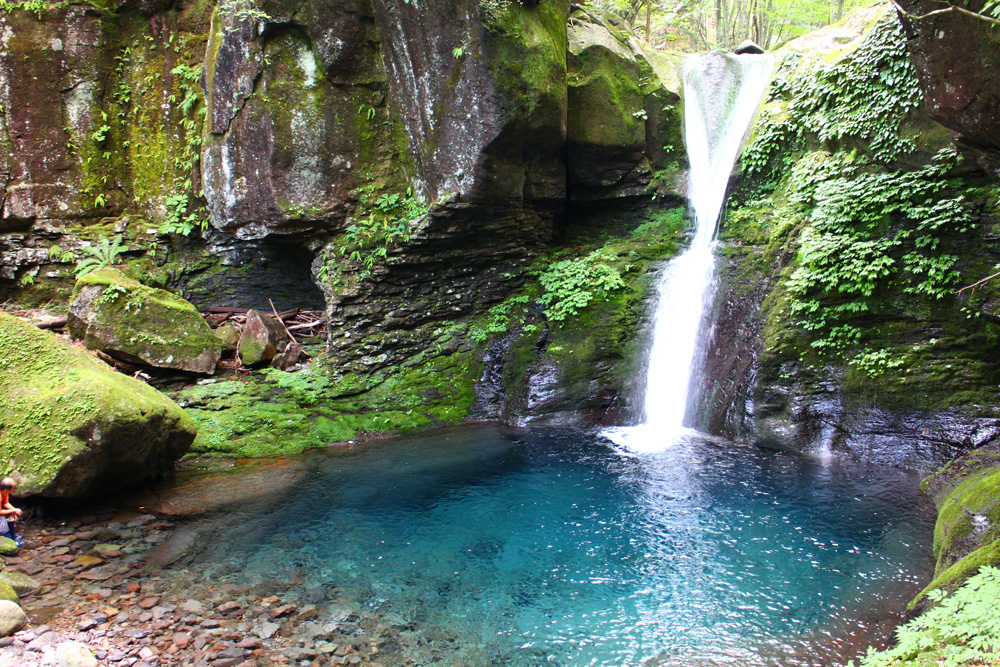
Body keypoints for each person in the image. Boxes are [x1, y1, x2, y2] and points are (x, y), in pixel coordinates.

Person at [0, 477, 23, 547]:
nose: (15, 490)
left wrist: (14, 510)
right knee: (2, 521)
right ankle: (9, 541)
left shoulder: (4, 492)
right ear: (6, 490)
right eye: (14, 488)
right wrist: (14, 510)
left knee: (10, 514)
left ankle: (13, 535)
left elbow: (5, 503)